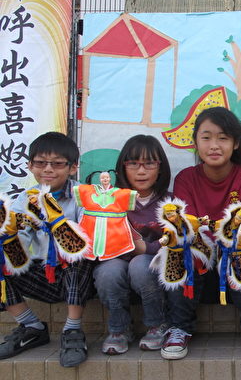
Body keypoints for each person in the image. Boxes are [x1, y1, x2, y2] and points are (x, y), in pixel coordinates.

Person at [162, 107, 241, 360]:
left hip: (234, 251)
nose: (214, 145)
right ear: (196, 142)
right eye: (206, 137)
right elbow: (187, 227)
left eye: (223, 138)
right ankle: (179, 328)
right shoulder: (186, 178)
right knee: (179, 250)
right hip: (202, 255)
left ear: (235, 143)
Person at [0, 132, 94, 367]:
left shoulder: (83, 195)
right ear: (30, 166)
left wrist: (55, 220)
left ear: (73, 167)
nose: (48, 169)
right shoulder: (26, 199)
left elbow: (89, 241)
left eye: (57, 163)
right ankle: (31, 327)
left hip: (82, 278)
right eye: (41, 163)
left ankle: (73, 330)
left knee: (76, 253)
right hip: (44, 275)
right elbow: (19, 240)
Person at [92, 135, 171, 355]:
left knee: (140, 265)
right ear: (123, 168)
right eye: (133, 163)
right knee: (107, 272)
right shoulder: (109, 200)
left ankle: (158, 324)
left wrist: (147, 249)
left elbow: (176, 240)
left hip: (149, 263)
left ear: (160, 168)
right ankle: (119, 328)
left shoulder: (169, 203)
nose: (141, 171)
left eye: (149, 163)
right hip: (116, 260)